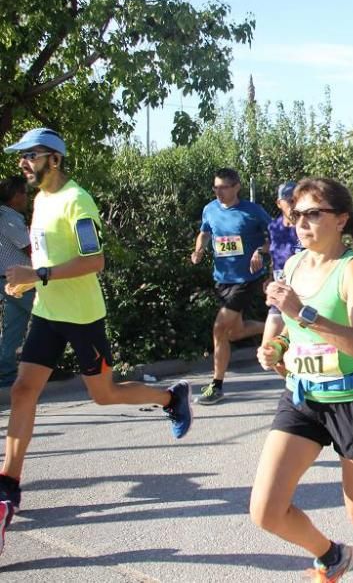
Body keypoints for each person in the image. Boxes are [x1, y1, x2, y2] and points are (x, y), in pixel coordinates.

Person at [0, 128, 191, 553]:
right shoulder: (41, 200)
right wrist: (31, 282)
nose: (22, 163)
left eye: (29, 156)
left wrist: (39, 275)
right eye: (21, 157)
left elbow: (94, 260)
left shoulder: (77, 200)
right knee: (22, 390)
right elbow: (47, 257)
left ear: (54, 158)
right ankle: (8, 484)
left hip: (83, 319)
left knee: (103, 395)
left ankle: (171, 398)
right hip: (48, 313)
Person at [250, 178, 353, 582]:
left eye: (312, 214)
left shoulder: (350, 268)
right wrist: (277, 348)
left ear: (340, 220)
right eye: (296, 214)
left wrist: (301, 312)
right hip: (302, 397)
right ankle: (331, 555)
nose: (301, 223)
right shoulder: (293, 264)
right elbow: (291, 331)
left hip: (352, 399)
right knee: (265, 510)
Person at [191, 167, 271, 404]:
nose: (219, 192)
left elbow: (274, 237)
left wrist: (260, 250)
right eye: (215, 187)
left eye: (224, 187)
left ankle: (216, 385)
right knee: (234, 332)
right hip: (222, 279)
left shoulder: (253, 212)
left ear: (236, 187)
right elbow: (204, 233)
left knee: (219, 329)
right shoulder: (210, 209)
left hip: (246, 279)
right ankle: (279, 328)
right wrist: (199, 249)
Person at [261, 181, 303, 355]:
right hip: (280, 296)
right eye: (289, 200)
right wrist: (270, 279)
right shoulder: (274, 227)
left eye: (296, 200)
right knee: (268, 352)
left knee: (298, 351)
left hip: (302, 299)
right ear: (279, 203)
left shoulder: (307, 227)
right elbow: (275, 256)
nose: (293, 205)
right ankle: (294, 381)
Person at [0, 176, 33, 387]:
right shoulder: (9, 218)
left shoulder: (5, 215)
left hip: (8, 280)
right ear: (15, 196)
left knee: (13, 328)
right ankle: (45, 368)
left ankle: (6, 375)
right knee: (52, 321)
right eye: (25, 193)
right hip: (22, 281)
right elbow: (30, 248)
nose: (27, 198)